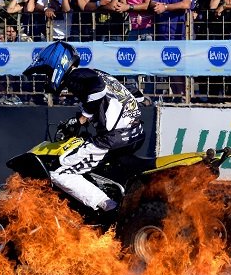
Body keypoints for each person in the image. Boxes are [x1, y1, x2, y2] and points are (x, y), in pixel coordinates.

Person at [22, 41, 145, 214]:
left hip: (114, 138)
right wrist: (77, 121)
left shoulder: (76, 76)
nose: (47, 77)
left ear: (58, 64)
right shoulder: (97, 73)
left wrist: (81, 119)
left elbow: (98, 90)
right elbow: (136, 95)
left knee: (60, 172)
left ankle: (110, 207)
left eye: (47, 72)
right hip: (136, 133)